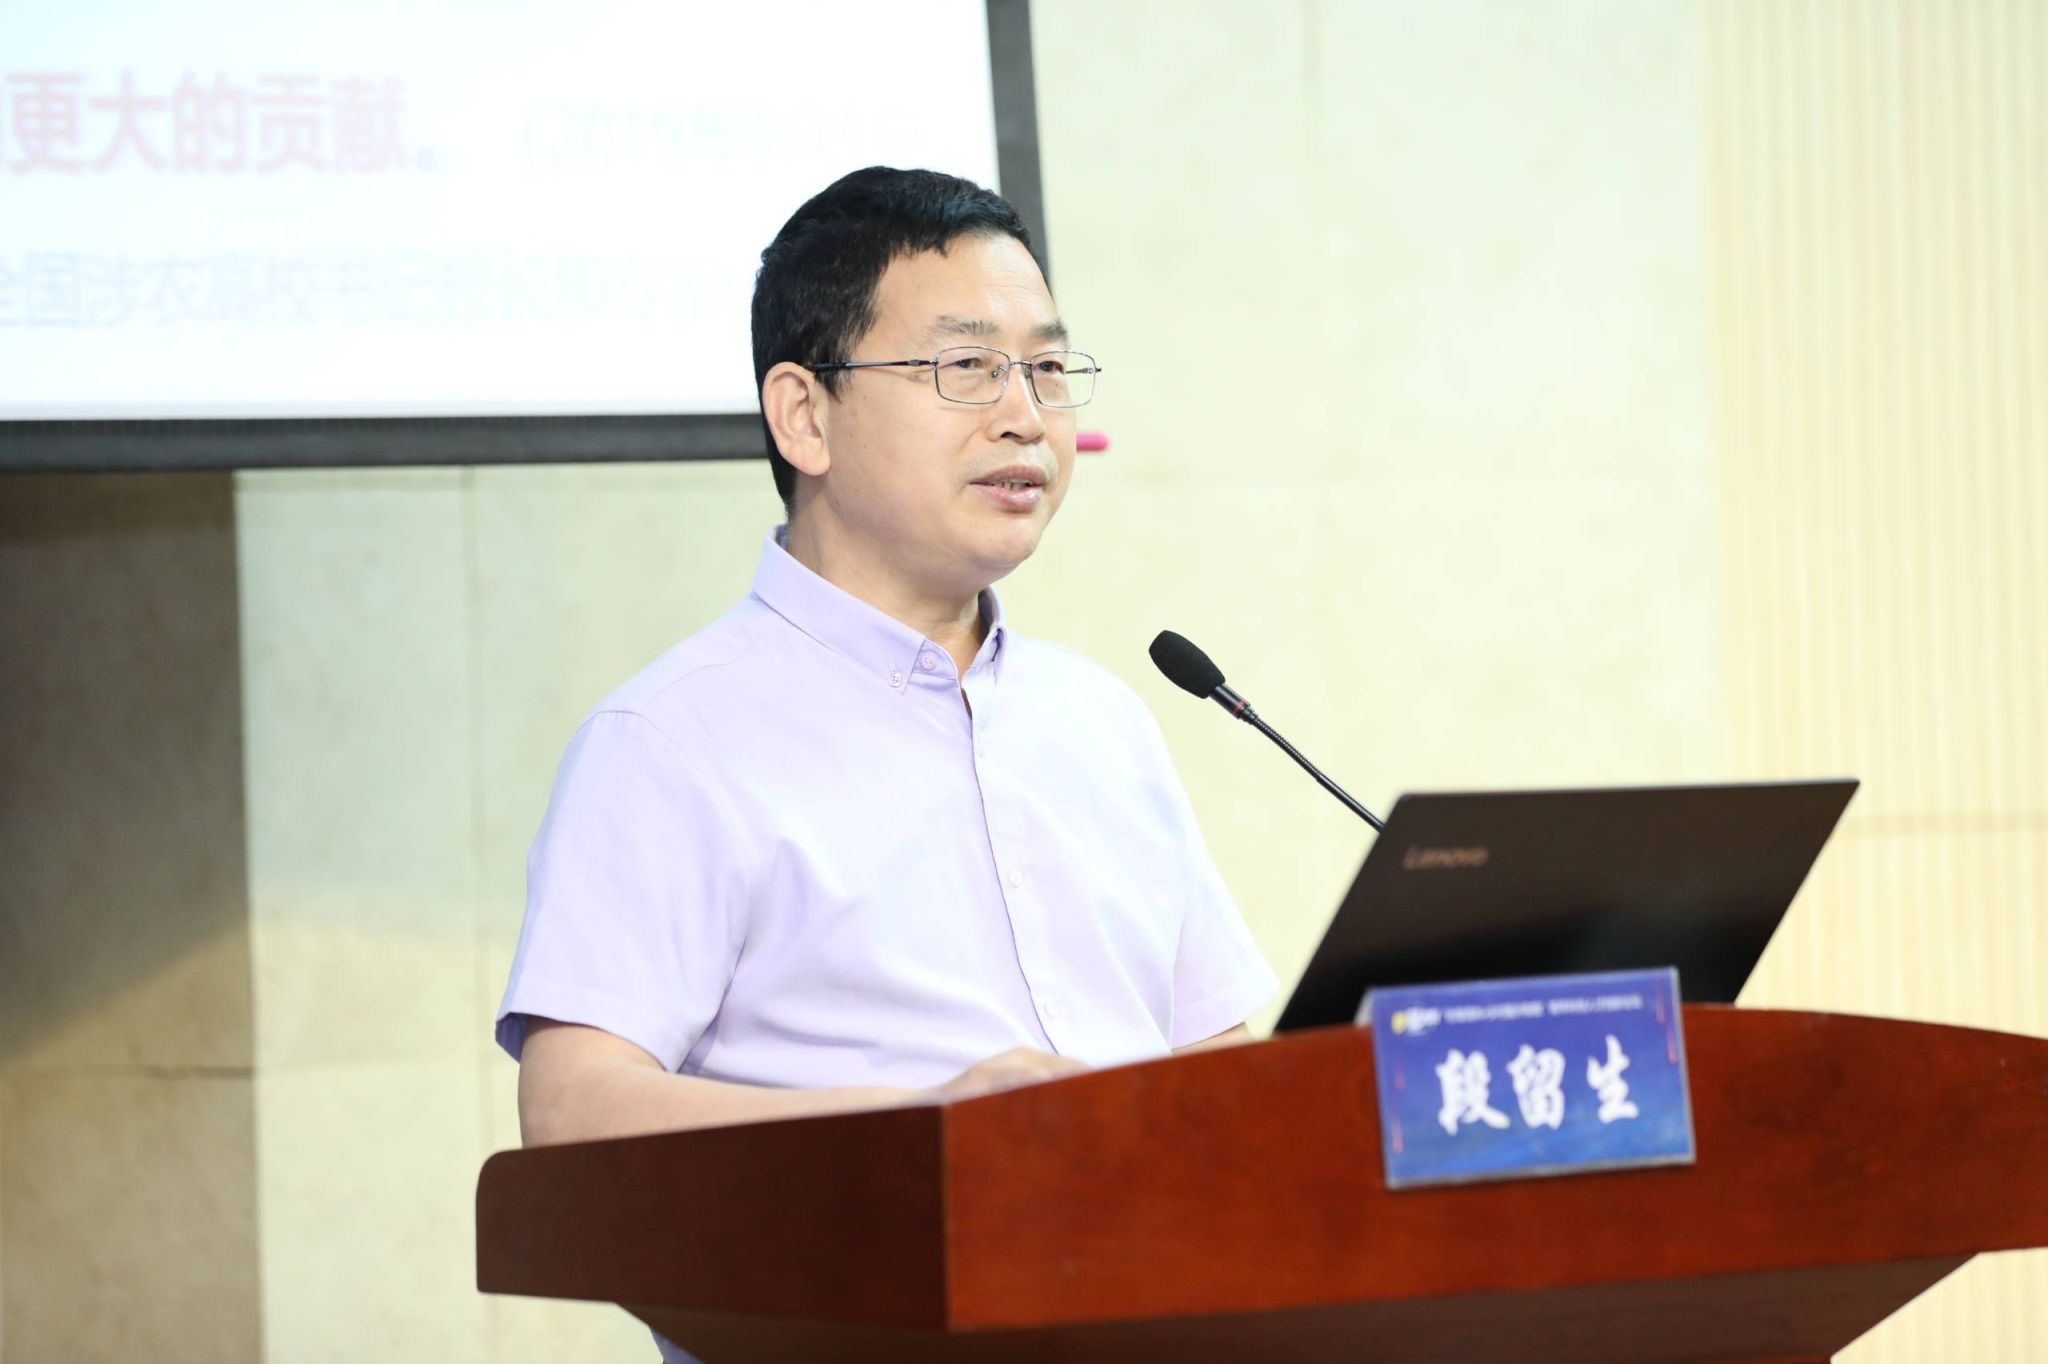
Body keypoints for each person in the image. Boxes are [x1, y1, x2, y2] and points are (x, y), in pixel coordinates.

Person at [493, 166, 1277, 1360]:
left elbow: (1217, 1071)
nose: (1023, 415)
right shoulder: (669, 740)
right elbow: (573, 1113)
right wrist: (927, 1132)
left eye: (1046, 369)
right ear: (803, 415)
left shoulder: (1099, 718)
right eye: (964, 367)